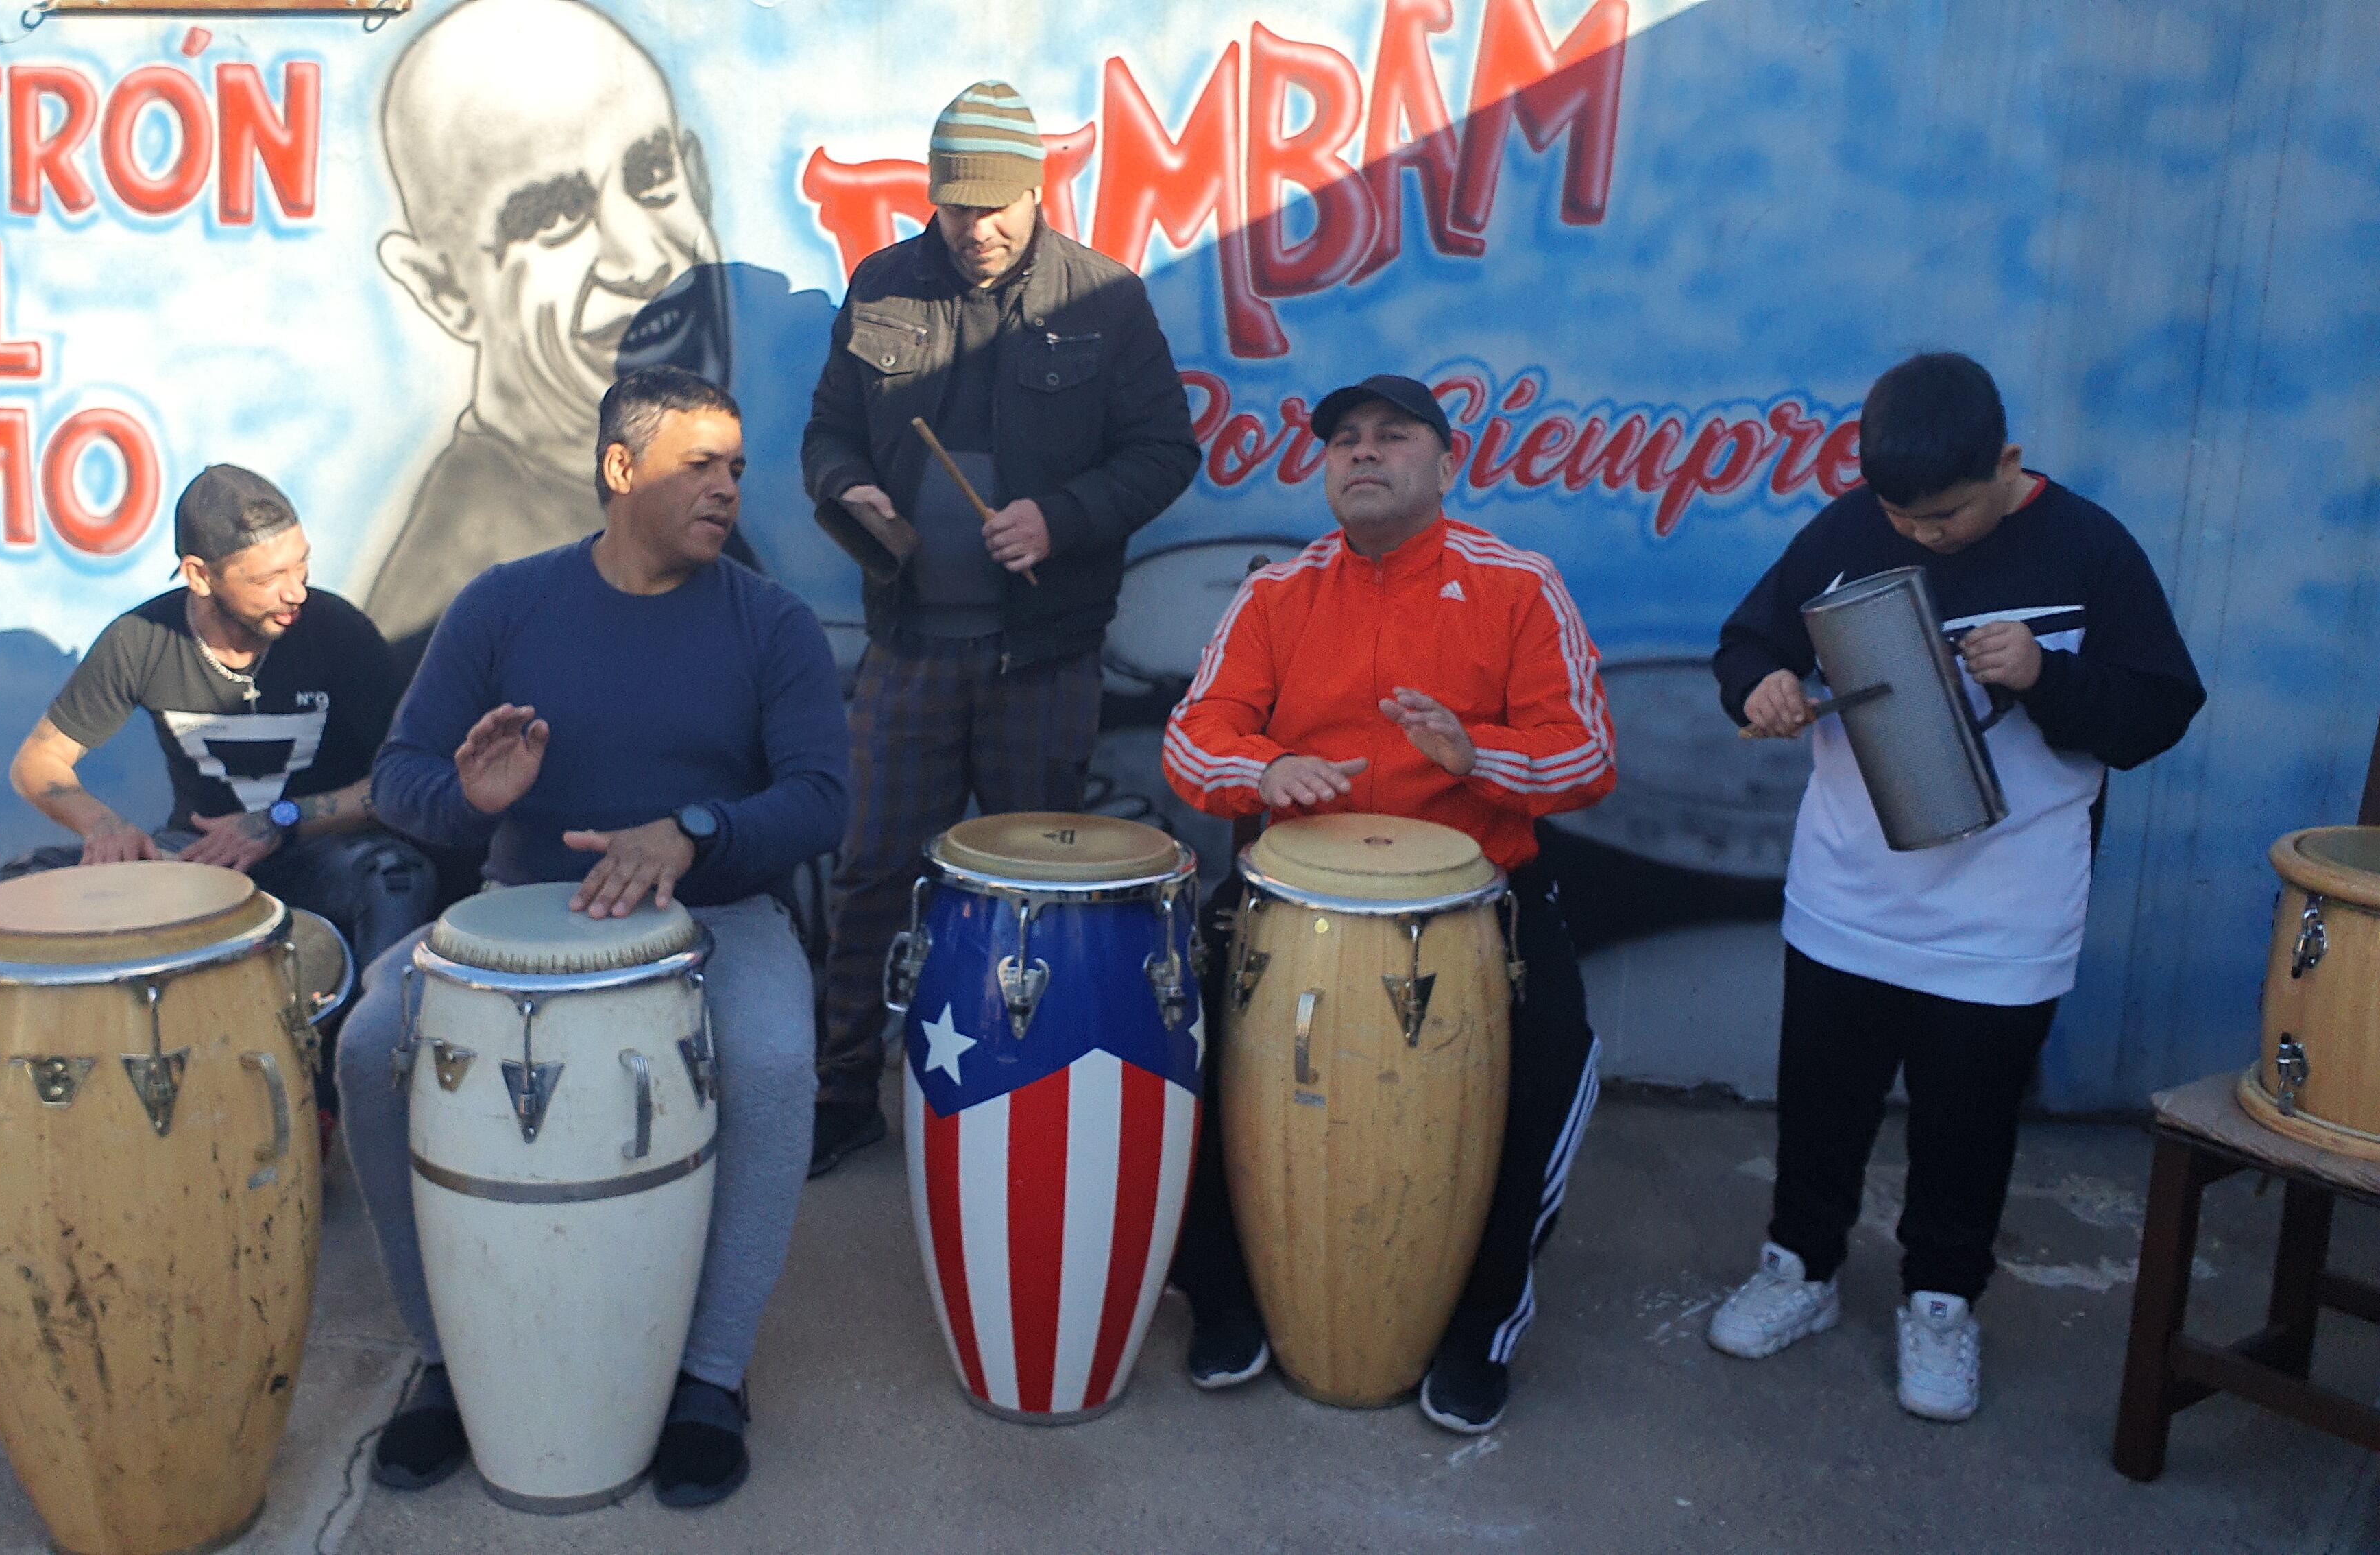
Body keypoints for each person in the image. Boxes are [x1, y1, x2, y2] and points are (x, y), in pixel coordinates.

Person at [337, 367, 847, 1506]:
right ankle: (446, 1362)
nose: (724, 489)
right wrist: (468, 797)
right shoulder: (504, 603)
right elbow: (401, 778)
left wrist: (695, 831)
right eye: (696, 466)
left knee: (767, 1058)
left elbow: (820, 798)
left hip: (712, 913)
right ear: (621, 469)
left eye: (734, 469)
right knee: (372, 1050)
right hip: (521, 918)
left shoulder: (770, 622)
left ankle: (709, 1376)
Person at [1703, 352, 2203, 1421]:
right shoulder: (1845, 534)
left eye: (1947, 517)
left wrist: (2047, 676)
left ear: (2009, 464)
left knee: (1968, 1120)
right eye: (1904, 516)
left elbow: (2160, 711)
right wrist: (1767, 683)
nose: (1923, 536)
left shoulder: (2090, 548)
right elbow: (1745, 642)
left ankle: (1940, 1299)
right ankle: (1801, 1266)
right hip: (1849, 896)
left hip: (2005, 912)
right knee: (1824, 1102)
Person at [1160, 374, 1616, 1434]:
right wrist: (1266, 772)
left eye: (1391, 438)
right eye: (1344, 442)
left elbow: (1588, 753)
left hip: (1476, 897)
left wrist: (1480, 754)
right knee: (1168, 1045)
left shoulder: (1518, 585)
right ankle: (1223, 1297)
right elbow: (1194, 738)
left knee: (1553, 1058)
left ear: (1445, 464)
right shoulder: (1278, 591)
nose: (1362, 454)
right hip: (1291, 894)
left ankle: (1481, 1324)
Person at [800, 79, 1200, 1176]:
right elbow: (827, 433)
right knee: (875, 868)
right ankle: (846, 1091)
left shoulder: (1106, 299)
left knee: (1031, 885)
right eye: (957, 206)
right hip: (910, 646)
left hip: (1042, 657)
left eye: (998, 205)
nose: (977, 230)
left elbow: (1167, 453)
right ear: (932, 194)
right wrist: (852, 495)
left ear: (1038, 188)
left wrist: (1059, 519)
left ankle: (1024, 1086)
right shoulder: (883, 283)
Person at [5, 464, 435, 1119]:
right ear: (200, 575)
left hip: (313, 849)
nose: (295, 592)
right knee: (24, 882)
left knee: (397, 874)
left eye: (302, 567)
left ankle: (379, 1094)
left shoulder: (337, 633)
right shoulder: (142, 639)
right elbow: (39, 763)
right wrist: (102, 825)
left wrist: (281, 820)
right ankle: (77, 1109)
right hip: (197, 859)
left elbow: (402, 782)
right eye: (268, 579)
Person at [361, 0, 739, 682]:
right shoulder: (468, 586)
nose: (641, 260)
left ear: (698, 179)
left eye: (652, 176)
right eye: (557, 215)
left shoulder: (667, 497)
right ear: (445, 289)